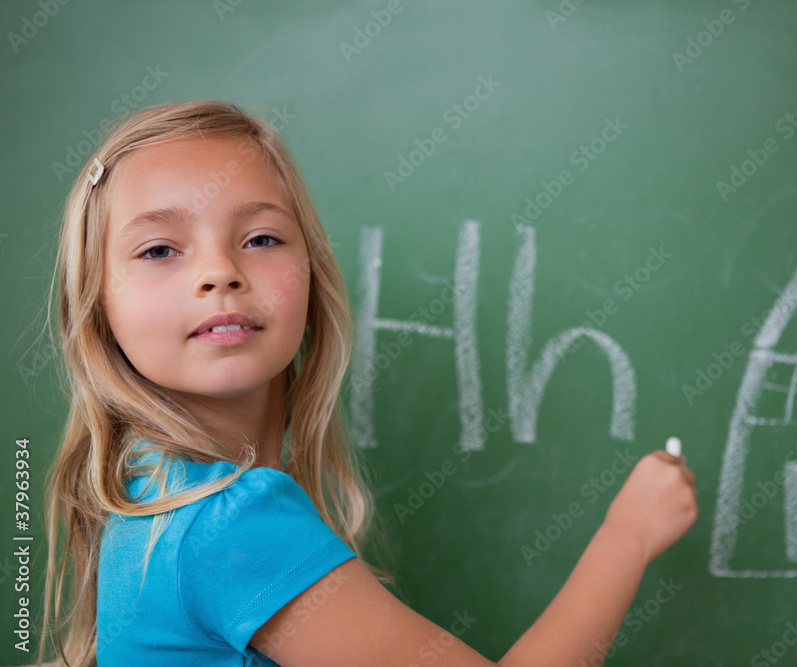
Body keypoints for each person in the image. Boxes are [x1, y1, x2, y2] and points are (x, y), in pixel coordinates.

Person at [39, 99, 697, 666]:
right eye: (159, 249)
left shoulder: (147, 485)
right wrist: (628, 534)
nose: (219, 270)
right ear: (97, 308)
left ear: (313, 277)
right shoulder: (227, 519)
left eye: (262, 238)